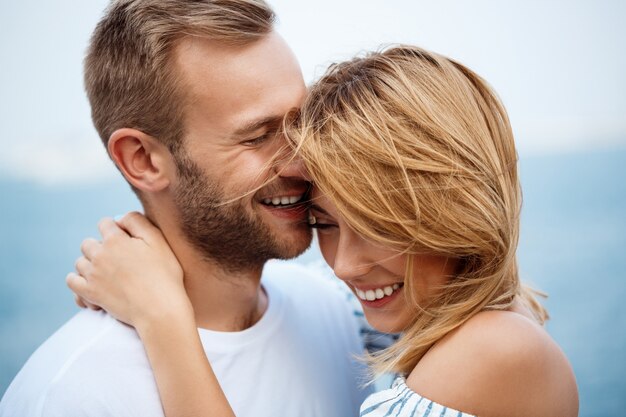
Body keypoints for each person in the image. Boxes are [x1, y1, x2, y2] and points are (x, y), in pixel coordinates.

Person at [66, 45, 579, 417]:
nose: (344, 265)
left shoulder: (493, 350)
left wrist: (163, 318)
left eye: (380, 224)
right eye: (325, 223)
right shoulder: (447, 320)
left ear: (457, 205)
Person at [0, 1, 372, 416]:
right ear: (142, 159)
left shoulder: (331, 311)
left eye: (301, 124)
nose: (301, 163)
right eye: (257, 137)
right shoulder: (74, 395)